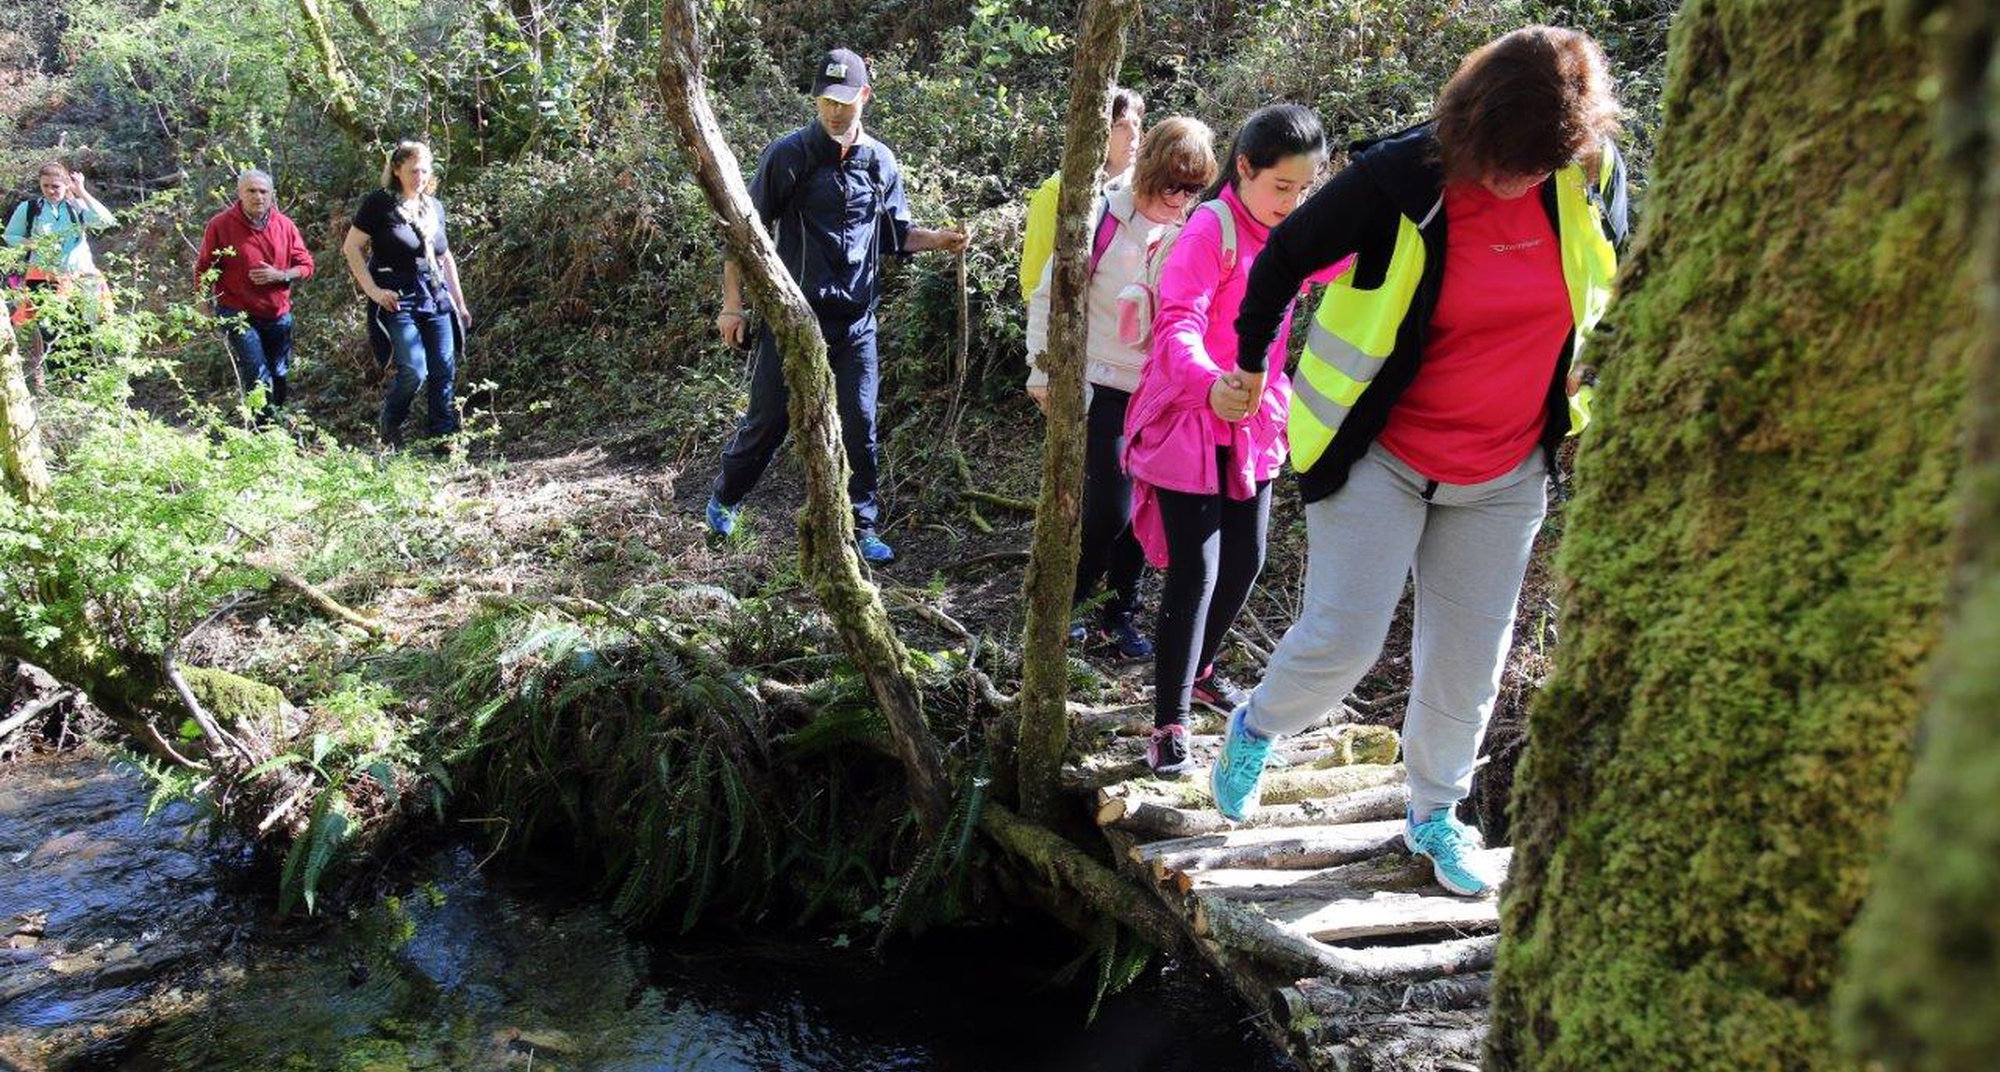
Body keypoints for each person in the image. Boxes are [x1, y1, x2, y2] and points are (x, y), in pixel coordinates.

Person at [1207, 26, 1629, 895]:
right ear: (1476, 129)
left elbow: (1633, 267)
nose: (1522, 180)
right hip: (1382, 453)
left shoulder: (1586, 177)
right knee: (1345, 638)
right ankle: (1257, 725)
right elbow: (1283, 258)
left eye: (1540, 164)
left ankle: (1436, 813)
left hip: (1507, 469)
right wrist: (1251, 363)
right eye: (1511, 162)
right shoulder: (1401, 178)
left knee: (1470, 659)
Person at [1122, 105, 1349, 774]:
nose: (1294, 202)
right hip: (1193, 415)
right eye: (1282, 187)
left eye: (1305, 190)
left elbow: (1333, 264)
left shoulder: (1288, 230)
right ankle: (1168, 723)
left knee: (1245, 561)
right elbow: (1177, 325)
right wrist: (1208, 382)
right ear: (1244, 168)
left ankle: (1201, 668)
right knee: (1196, 572)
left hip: (1254, 416)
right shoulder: (1210, 230)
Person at [706, 48, 969, 565]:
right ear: (816, 100)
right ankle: (724, 499)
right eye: (826, 101)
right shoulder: (790, 155)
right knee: (768, 421)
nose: (834, 112)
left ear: (864, 97)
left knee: (860, 422)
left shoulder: (880, 162)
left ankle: (862, 526)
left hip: (856, 324)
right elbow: (743, 234)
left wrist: (940, 240)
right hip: (791, 321)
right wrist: (732, 306)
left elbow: (895, 236)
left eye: (844, 102)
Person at [1024, 116, 1218, 660]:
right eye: (1172, 185)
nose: (1180, 199)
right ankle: (1075, 603)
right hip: (1101, 383)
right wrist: (1041, 370)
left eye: (1194, 188)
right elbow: (1049, 296)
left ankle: (1120, 613)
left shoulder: (1192, 227)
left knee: (1142, 510)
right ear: (1149, 171)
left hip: (1160, 392)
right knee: (1108, 508)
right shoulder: (1100, 217)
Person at [341, 140, 469, 448]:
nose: (420, 177)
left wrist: (460, 304)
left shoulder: (433, 207)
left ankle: (443, 438)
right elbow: (351, 247)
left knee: (444, 367)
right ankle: (391, 422)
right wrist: (373, 290)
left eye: (425, 170)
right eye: (413, 170)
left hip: (436, 295)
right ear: (397, 170)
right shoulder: (379, 204)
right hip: (398, 296)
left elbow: (444, 256)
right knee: (414, 368)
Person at [196, 169, 315, 419]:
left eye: (263, 191)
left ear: (271, 195)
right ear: (240, 193)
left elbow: (306, 266)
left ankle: (275, 422)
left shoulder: (284, 226)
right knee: (255, 368)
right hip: (236, 310)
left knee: (279, 372)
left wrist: (280, 275)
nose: (258, 196)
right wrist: (203, 302)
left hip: (276, 312)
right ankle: (261, 433)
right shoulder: (220, 225)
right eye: (251, 191)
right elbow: (205, 267)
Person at [1018, 87, 1145, 304]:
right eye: (1120, 126)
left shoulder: (1145, 191)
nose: (1133, 135)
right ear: (1098, 131)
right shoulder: (1057, 192)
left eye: (1136, 124)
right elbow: (1035, 284)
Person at [4, 160, 117, 390]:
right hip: (43, 279)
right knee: (50, 332)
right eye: (45, 186)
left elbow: (106, 221)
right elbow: (10, 236)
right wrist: (34, 243)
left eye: (56, 186)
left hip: (80, 278)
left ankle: (83, 383)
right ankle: (58, 385)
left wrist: (82, 191)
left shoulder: (76, 207)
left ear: (66, 185)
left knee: (84, 328)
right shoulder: (31, 209)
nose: (51, 191)